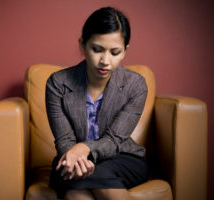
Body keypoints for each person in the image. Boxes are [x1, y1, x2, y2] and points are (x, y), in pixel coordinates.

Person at [45, 7, 148, 200]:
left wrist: (84, 149)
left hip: (122, 158)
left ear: (125, 51)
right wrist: (75, 157)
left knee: (84, 177)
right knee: (75, 193)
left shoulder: (136, 85)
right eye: (97, 49)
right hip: (71, 158)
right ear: (82, 45)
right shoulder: (57, 83)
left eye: (115, 52)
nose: (105, 61)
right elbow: (64, 140)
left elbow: (114, 140)